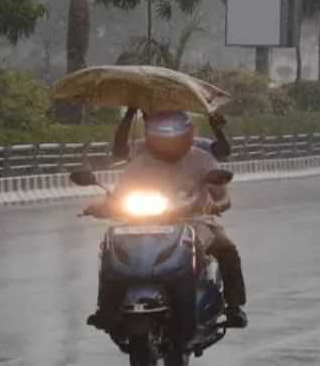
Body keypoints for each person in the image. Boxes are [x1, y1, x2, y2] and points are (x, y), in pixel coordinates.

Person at [89, 110, 248, 330]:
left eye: (174, 134)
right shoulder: (139, 160)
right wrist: (102, 206)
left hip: (196, 220)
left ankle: (234, 306)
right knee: (110, 248)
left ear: (188, 134)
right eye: (162, 134)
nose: (168, 140)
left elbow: (224, 197)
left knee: (227, 249)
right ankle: (106, 308)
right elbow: (120, 192)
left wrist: (216, 205)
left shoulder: (202, 158)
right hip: (143, 222)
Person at [112, 107, 231, 162]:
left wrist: (218, 130)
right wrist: (129, 114)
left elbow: (223, 151)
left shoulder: (196, 145)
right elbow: (119, 152)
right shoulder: (145, 147)